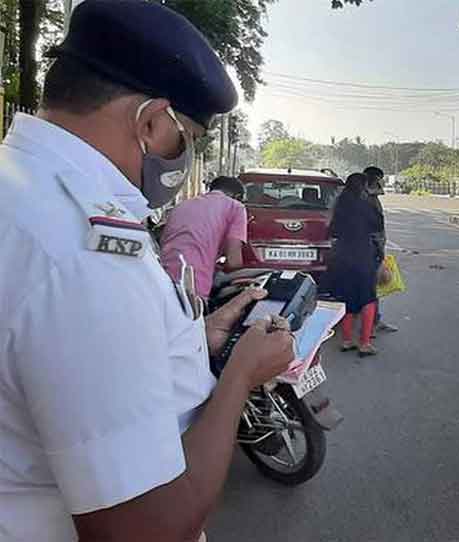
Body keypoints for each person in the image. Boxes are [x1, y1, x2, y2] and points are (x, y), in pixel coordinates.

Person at [0, 2, 294, 540]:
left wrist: (195, 340)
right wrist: (239, 377)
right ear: (152, 122)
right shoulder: (84, 252)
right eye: (188, 140)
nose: (183, 163)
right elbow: (145, 528)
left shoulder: (20, 188)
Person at [160, 175, 248, 299]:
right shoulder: (236, 207)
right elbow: (234, 262)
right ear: (238, 197)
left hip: (160, 280)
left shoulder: (182, 205)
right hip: (193, 287)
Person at [328, 173, 383, 356]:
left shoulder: (340, 206)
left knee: (347, 298)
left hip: (342, 257)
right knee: (367, 297)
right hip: (363, 256)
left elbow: (332, 231)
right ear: (363, 187)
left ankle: (346, 340)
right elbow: (377, 227)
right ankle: (365, 343)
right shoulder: (367, 206)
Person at [364, 165, 399, 335]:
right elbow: (375, 228)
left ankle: (369, 321)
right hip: (370, 249)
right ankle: (372, 323)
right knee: (371, 288)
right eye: (379, 179)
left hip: (364, 248)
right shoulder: (369, 199)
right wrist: (380, 251)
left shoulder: (363, 197)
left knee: (367, 287)